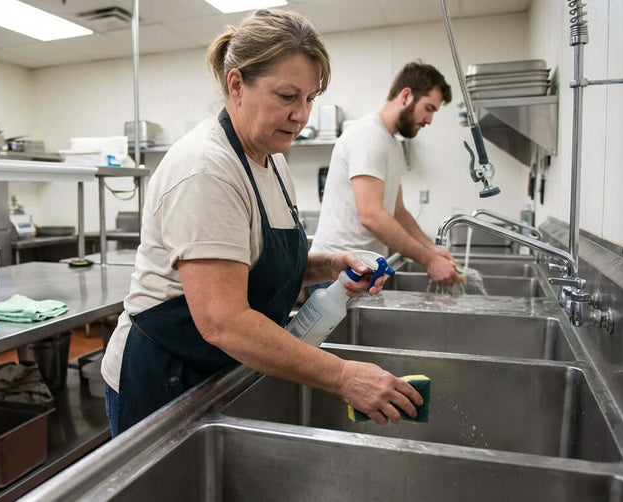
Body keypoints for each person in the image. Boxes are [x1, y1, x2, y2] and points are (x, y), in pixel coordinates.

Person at [101, 9, 423, 436]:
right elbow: (224, 320)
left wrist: (328, 265)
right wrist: (345, 377)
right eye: (287, 97)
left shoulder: (271, 160)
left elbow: (254, 263)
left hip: (219, 368)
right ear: (237, 85)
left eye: (310, 98)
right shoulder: (206, 169)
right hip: (165, 378)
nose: (302, 114)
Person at [310, 62, 462, 286]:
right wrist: (428, 261)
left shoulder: (392, 144)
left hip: (363, 269)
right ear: (406, 96)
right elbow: (371, 215)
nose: (429, 120)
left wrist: (433, 249)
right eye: (429, 108)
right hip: (336, 272)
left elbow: (397, 211)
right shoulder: (369, 136)